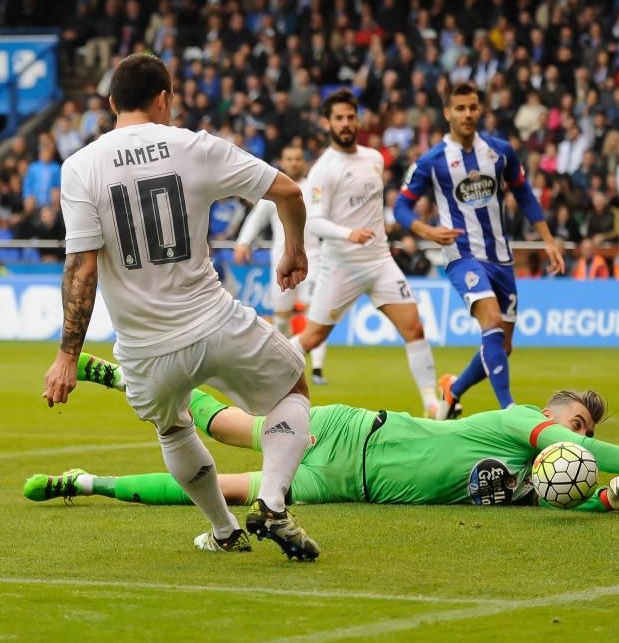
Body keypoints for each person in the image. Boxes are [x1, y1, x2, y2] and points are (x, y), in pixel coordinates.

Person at [46, 54, 318, 559]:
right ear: (164, 98)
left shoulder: (80, 167)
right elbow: (288, 191)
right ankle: (273, 502)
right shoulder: (194, 146)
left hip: (144, 350)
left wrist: (68, 355)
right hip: (213, 322)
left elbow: (81, 268)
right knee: (293, 387)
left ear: (110, 104)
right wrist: (294, 248)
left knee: (172, 427)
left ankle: (224, 530)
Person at [27, 369, 619, 517]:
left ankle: (86, 482)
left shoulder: (538, 477)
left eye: (583, 435)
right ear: (551, 411)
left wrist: (607, 500)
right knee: (227, 426)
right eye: (576, 426)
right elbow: (571, 451)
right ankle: (126, 375)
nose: (576, 443)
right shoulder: (517, 420)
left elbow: (560, 502)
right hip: (353, 431)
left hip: (350, 483)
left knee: (214, 491)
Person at [395, 82, 564, 417]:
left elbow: (525, 194)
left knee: (502, 346)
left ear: (480, 109)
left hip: (501, 257)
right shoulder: (432, 160)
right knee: (491, 319)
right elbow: (401, 207)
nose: (467, 114)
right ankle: (510, 410)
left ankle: (452, 391)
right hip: (462, 256)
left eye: (472, 107)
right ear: (447, 113)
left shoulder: (500, 151)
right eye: (460, 108)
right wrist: (427, 230)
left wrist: (548, 240)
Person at [292, 88, 440, 418]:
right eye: (339, 118)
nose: (346, 123)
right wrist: (349, 234)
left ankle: (433, 404)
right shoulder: (323, 170)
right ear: (327, 123)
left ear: (358, 119)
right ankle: (264, 377)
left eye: (350, 117)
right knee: (312, 337)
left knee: (414, 329)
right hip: (341, 265)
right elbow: (314, 222)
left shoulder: (374, 158)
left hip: (379, 261)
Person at [234, 145, 329, 381]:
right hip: (281, 261)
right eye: (289, 158)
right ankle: (287, 363)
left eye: (298, 158)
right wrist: (243, 242)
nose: (294, 163)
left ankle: (317, 369)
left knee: (313, 312)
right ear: (283, 161)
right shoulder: (277, 190)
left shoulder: (314, 189)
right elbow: (256, 219)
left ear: (304, 161)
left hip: (315, 258)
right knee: (282, 315)